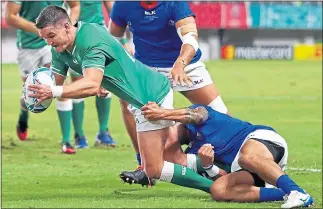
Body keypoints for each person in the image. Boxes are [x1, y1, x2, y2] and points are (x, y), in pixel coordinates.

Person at [29, 5, 217, 194]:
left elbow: (90, 85)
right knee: (171, 157)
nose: (48, 42)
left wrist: (53, 91)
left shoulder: (90, 40)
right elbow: (57, 83)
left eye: (51, 36)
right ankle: (218, 169)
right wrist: (36, 94)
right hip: (141, 97)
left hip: (150, 96)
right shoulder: (60, 48)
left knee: (153, 168)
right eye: (44, 38)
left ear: (67, 27)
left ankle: (216, 187)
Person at [108, 1, 230, 178]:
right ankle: (143, 164)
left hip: (186, 66)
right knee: (130, 105)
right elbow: (114, 39)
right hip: (147, 70)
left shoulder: (175, 3)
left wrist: (180, 63)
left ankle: (233, 160)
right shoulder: (124, 4)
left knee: (222, 117)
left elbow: (190, 37)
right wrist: (110, 69)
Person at [141, 102, 314, 208]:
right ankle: (284, 193)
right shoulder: (193, 152)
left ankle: (297, 192)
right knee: (219, 190)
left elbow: (193, 114)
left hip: (261, 140)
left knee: (246, 157)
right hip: (249, 168)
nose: (166, 139)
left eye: (165, 134)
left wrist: (161, 113)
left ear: (172, 124)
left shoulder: (198, 114)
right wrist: (208, 166)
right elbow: (223, 176)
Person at [5, 1, 80, 154]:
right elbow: (10, 17)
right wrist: (43, 30)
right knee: (31, 93)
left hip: (53, 45)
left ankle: (66, 141)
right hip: (28, 47)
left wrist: (64, 30)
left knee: (60, 86)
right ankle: (23, 113)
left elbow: (75, 5)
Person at [59, 1, 123, 150]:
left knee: (105, 81)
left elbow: (114, 12)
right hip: (77, 34)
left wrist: (121, 39)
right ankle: (79, 134)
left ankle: (103, 131)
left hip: (99, 34)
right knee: (78, 82)